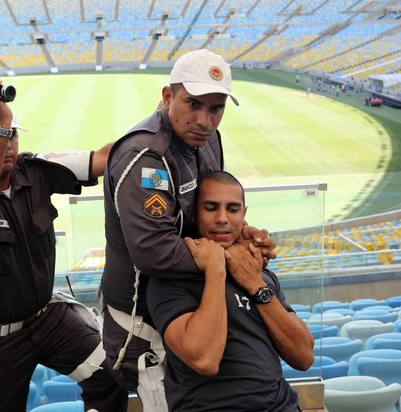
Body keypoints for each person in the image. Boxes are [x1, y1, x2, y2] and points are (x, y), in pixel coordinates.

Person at [0, 79, 127, 411]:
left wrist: (161, 121)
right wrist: (2, 124)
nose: (7, 144)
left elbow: (103, 158)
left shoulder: (34, 170)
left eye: (12, 135)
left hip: (47, 318)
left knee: (112, 374)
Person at [99, 49, 276, 405]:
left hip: (193, 309)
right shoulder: (145, 157)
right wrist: (232, 256)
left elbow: (206, 211)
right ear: (168, 97)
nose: (204, 120)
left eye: (215, 109)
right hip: (145, 327)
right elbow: (154, 250)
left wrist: (243, 233)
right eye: (193, 104)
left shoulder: (208, 139)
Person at [147, 171, 315, 411]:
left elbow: (304, 357)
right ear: (194, 212)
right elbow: (205, 360)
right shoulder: (170, 279)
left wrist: (256, 285)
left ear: (244, 215)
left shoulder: (259, 271)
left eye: (233, 209)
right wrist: (216, 270)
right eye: (211, 208)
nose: (222, 218)